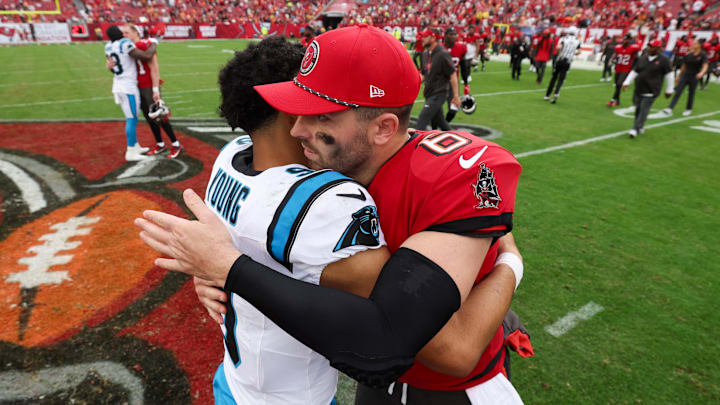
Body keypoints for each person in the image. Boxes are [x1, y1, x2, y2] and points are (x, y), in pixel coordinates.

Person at [137, 25, 526, 403]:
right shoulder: (323, 177)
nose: (296, 129)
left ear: (382, 128)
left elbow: (454, 351)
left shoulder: (458, 173)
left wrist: (510, 260)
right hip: (374, 382)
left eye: (320, 116)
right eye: (296, 109)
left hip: (451, 393)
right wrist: (218, 272)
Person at [200, 36, 392, 404]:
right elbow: (393, 309)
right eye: (321, 98)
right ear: (295, 106)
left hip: (234, 380)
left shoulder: (232, 155)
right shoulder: (323, 201)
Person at [122, 24, 183, 159]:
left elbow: (154, 67)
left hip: (149, 86)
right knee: (150, 117)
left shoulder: (144, 45)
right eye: (123, 33)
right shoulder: (129, 47)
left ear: (135, 32)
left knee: (159, 116)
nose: (124, 35)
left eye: (126, 32)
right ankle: (160, 144)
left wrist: (155, 89)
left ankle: (176, 143)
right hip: (138, 87)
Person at [104, 25, 156, 161]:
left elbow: (111, 66)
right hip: (127, 86)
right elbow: (146, 56)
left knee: (132, 117)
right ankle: (131, 151)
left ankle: (135, 145)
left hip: (119, 84)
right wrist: (154, 44)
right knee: (131, 119)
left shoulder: (108, 46)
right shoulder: (125, 44)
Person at [621, 39, 674, 138]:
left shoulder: (664, 60)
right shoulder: (643, 58)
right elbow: (635, 71)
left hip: (652, 89)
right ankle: (640, 126)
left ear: (658, 48)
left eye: (652, 46)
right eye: (649, 46)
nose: (649, 48)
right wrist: (627, 82)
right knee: (638, 108)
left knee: (644, 110)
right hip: (639, 88)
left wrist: (669, 90)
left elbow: (669, 75)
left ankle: (635, 129)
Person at [416, 27, 461, 131]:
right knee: (441, 123)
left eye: (425, 36)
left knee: (422, 120)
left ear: (433, 38)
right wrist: (412, 84)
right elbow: (424, 74)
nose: (422, 39)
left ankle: (416, 147)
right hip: (429, 93)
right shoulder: (425, 54)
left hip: (439, 93)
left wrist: (456, 96)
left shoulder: (443, 54)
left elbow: (452, 74)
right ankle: (456, 142)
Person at [663, 39, 708, 116]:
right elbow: (683, 66)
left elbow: (705, 65)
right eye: (693, 43)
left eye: (695, 43)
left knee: (691, 93)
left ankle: (688, 109)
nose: (693, 44)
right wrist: (678, 76)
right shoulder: (688, 55)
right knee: (678, 91)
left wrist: (701, 73)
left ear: (700, 45)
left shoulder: (703, 55)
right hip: (685, 75)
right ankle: (670, 108)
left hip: (695, 76)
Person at [544, 26, 581, 104]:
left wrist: (559, 52)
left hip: (560, 59)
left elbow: (558, 47)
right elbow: (579, 52)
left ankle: (547, 95)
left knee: (554, 77)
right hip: (568, 61)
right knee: (561, 79)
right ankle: (556, 92)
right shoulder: (577, 41)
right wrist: (572, 53)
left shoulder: (564, 39)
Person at [607, 34, 641, 108]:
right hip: (618, 68)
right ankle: (618, 101)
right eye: (624, 39)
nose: (624, 41)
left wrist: (635, 68)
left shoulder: (633, 48)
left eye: (626, 39)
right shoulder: (618, 47)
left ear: (629, 40)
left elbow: (637, 58)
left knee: (619, 84)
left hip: (626, 69)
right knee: (617, 86)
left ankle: (612, 100)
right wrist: (611, 60)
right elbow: (615, 55)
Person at [445, 27, 468, 124]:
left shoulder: (461, 48)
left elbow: (463, 66)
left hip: (453, 84)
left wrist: (466, 83)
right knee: (434, 110)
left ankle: (444, 126)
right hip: (439, 83)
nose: (454, 36)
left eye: (455, 34)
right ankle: (440, 128)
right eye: (451, 34)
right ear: (446, 36)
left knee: (453, 109)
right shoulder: (439, 47)